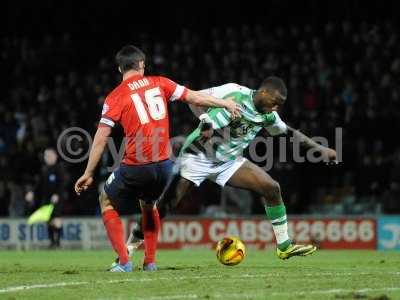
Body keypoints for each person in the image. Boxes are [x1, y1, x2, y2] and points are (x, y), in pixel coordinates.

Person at [125, 77, 338, 260]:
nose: (276, 108)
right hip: (197, 156)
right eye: (275, 102)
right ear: (263, 92)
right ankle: (130, 246)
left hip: (228, 162)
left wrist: (321, 149)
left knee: (271, 188)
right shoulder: (234, 94)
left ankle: (284, 247)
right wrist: (206, 120)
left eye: (279, 105)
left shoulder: (268, 116)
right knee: (165, 207)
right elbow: (194, 98)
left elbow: (290, 133)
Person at [74, 45, 241, 272]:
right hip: (164, 166)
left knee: (106, 199)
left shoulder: (115, 97)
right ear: (141, 64)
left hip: (137, 165)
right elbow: (193, 96)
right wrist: (225, 103)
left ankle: (124, 262)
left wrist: (88, 173)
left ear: (119, 68)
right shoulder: (161, 82)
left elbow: (101, 137)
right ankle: (150, 262)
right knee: (149, 205)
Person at [26, 148, 67, 249]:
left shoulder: (59, 168)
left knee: (56, 219)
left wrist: (57, 194)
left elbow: (62, 184)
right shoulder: (44, 169)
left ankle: (58, 242)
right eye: (46, 156)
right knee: (48, 220)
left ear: (55, 156)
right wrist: (32, 192)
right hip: (46, 199)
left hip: (57, 198)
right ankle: (52, 242)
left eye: (49, 156)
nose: (47, 158)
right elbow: (38, 184)